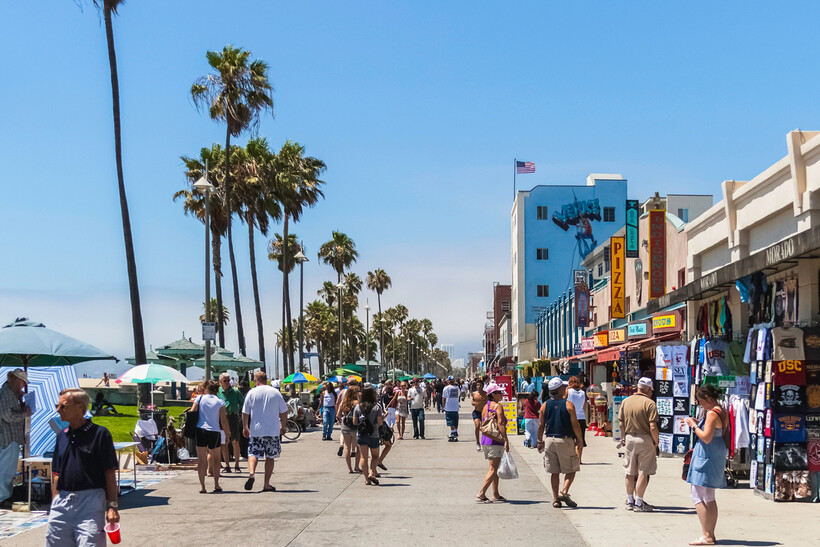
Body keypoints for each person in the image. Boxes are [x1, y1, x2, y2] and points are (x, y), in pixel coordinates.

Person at [47, 388, 118, 546]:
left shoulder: (100, 434)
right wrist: (54, 504)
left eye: (63, 406)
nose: (58, 410)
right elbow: (56, 473)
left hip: (90, 502)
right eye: (57, 405)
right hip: (62, 501)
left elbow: (109, 471)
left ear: (81, 408)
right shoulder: (61, 436)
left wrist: (112, 506)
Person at [685, 384, 729, 546]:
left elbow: (706, 437)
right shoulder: (721, 410)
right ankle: (710, 534)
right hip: (715, 453)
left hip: (707, 455)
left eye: (701, 401)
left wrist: (694, 426)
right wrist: (700, 423)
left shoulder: (711, 413)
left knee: (696, 495)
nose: (700, 405)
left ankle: (706, 534)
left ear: (708, 399)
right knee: (709, 495)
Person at [536, 378, 583, 508]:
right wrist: (580, 440)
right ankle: (564, 491)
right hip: (565, 440)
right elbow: (575, 425)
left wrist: (539, 441)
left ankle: (556, 499)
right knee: (572, 468)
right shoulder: (568, 405)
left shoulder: (544, 405)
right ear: (560, 389)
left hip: (550, 440)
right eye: (563, 387)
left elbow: (541, 425)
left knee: (554, 471)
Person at [242, 371, 289, 492]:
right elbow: (284, 411)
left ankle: (252, 474)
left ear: (256, 380)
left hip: (256, 430)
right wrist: (283, 426)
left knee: (253, 454)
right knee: (270, 457)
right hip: (272, 430)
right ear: (266, 379)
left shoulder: (251, 393)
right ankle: (266, 484)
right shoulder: (275, 392)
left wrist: (245, 427)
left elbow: (245, 412)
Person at [619, 377, 659, 512]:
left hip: (630, 438)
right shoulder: (650, 404)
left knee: (629, 472)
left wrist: (623, 437)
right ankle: (639, 502)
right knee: (643, 472)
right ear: (648, 389)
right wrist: (656, 441)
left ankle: (629, 500)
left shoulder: (626, 401)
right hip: (645, 439)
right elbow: (653, 426)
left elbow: (621, 423)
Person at [190, 380, 229, 494]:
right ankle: (216, 484)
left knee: (201, 460)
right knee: (216, 459)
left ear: (206, 388)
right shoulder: (220, 401)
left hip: (200, 430)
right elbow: (223, 420)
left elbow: (192, 412)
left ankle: (202, 486)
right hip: (214, 431)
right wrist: (227, 433)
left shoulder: (199, 399)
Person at [0, 369, 29, 505]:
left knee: (6, 470)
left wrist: (20, 401)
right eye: (22, 381)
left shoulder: (10, 393)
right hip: (9, 437)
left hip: (10, 437)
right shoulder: (6, 392)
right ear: (15, 379)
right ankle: (2, 498)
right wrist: (24, 413)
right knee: (6, 471)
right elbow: (6, 415)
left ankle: (4, 497)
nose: (23, 385)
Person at [476, 384, 508, 503]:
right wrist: (506, 439)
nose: (501, 394)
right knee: (493, 469)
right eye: (499, 392)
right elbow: (500, 424)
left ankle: (495, 493)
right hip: (495, 440)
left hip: (486, 439)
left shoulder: (486, 407)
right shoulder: (498, 406)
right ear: (492, 394)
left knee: (495, 467)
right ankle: (481, 493)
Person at [353, 386, 383, 485]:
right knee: (375, 456)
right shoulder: (376, 407)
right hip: (373, 434)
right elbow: (379, 423)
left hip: (361, 434)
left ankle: (366, 479)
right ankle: (372, 472)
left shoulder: (358, 407)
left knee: (363, 457)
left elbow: (354, 422)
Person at [218, 373, 244, 473]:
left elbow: (243, 404)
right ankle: (227, 465)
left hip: (233, 417)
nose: (227, 382)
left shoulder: (236, 392)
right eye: (225, 381)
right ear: (220, 382)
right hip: (222, 417)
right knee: (223, 442)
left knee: (235, 441)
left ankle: (237, 465)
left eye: (229, 380)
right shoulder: (217, 392)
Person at [337, 385, 361, 474]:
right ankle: (356, 467)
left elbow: (338, 415)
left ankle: (350, 469)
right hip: (355, 426)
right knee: (358, 447)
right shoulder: (357, 403)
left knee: (347, 447)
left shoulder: (344, 402)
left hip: (345, 425)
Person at [566, 376, 589, 463]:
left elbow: (564, 401)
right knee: (580, 439)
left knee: (571, 439)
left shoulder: (568, 391)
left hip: (571, 417)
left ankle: (572, 457)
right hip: (581, 418)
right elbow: (584, 406)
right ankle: (579, 458)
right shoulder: (583, 393)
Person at [471, 379, 488, 451]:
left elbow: (488, 402)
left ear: (483, 386)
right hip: (476, 412)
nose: (479, 387)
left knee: (484, 428)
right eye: (478, 385)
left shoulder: (486, 394)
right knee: (477, 426)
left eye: (480, 385)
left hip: (484, 413)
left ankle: (484, 442)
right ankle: (478, 442)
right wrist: (473, 403)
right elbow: (472, 401)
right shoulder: (474, 394)